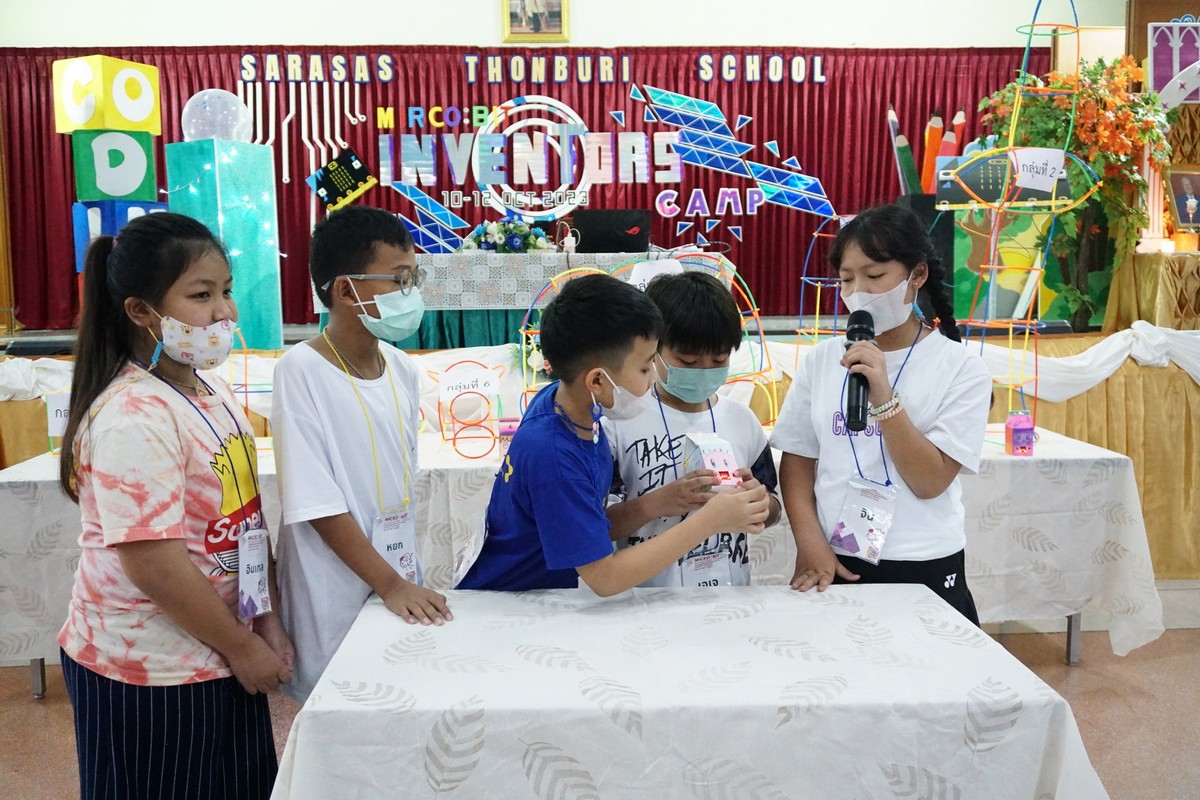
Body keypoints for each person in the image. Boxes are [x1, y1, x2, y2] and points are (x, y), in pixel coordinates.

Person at [57, 212, 291, 800]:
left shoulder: (210, 389)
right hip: (153, 667)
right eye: (201, 295)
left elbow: (244, 518)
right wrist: (243, 647)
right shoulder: (132, 415)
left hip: (218, 645)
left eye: (226, 291)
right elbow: (154, 564)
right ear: (141, 311)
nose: (224, 312)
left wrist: (264, 620)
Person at [456, 273, 770, 594]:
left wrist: (657, 503)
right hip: (513, 599)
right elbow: (606, 578)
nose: (652, 379)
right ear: (597, 381)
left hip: (542, 588)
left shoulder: (566, 403)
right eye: (645, 368)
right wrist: (708, 522)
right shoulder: (553, 454)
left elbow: (594, 523)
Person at [771, 204, 991, 624]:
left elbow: (929, 482)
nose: (859, 292)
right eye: (847, 279)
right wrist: (809, 542)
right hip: (835, 557)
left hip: (922, 561)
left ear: (917, 275)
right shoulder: (822, 360)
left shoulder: (962, 368)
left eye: (874, 276)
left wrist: (884, 398)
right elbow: (798, 461)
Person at [272, 204, 450, 703]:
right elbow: (316, 503)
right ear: (346, 291)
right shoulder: (300, 370)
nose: (410, 293)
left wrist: (398, 580)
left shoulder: (401, 368)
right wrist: (389, 584)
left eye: (413, 279)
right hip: (332, 580)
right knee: (341, 701)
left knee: (400, 691)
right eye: (399, 280)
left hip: (394, 570)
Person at [604, 270, 781, 587]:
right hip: (646, 597)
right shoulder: (619, 422)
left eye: (719, 360)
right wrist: (657, 502)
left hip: (728, 596)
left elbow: (773, 510)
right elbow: (599, 527)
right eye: (687, 361)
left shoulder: (742, 420)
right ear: (654, 349)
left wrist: (760, 503)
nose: (704, 370)